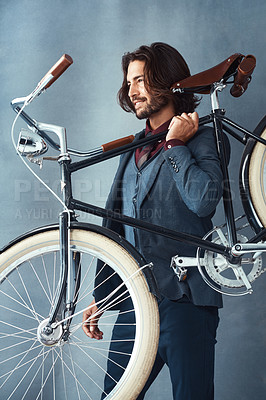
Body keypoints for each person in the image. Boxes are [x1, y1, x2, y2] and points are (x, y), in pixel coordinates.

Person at [82, 42, 225, 400]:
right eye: (129, 82)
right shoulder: (130, 148)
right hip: (135, 305)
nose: (132, 92)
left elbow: (203, 201)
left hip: (187, 303)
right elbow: (114, 225)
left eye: (141, 80)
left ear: (168, 82)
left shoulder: (208, 137)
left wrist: (177, 145)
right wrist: (102, 296)